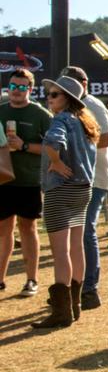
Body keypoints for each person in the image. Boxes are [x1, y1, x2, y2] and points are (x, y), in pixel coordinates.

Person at [31, 76, 98, 328]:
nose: (49, 98)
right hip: (83, 189)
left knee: (60, 252)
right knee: (76, 247)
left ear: (67, 98)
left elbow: (51, 142)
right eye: (48, 94)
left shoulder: (61, 119)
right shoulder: (85, 121)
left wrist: (56, 163)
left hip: (60, 189)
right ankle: (75, 305)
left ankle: (62, 312)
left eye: (55, 94)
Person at [60, 66, 108, 311]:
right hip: (75, 179)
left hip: (95, 177)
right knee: (73, 234)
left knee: (85, 231)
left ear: (85, 83)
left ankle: (90, 288)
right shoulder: (66, 107)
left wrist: (76, 146)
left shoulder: (92, 104)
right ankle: (75, 289)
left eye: (73, 83)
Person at [0, 68, 51, 297]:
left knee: (28, 228)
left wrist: (24, 146)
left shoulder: (40, 115)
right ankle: (0, 279)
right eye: (13, 86)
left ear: (30, 89)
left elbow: (54, 149)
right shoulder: (0, 111)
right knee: (3, 230)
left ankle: (32, 280)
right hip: (2, 180)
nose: (16, 91)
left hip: (29, 181)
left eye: (22, 87)